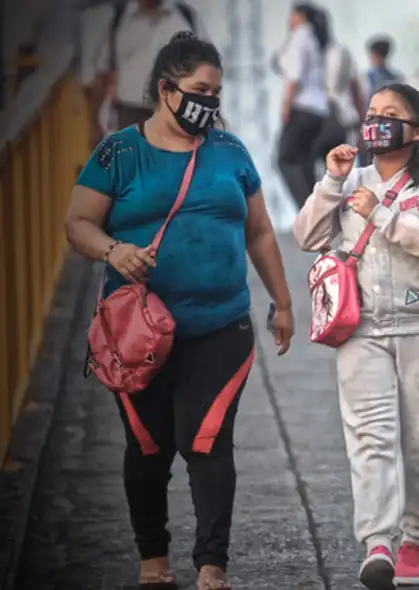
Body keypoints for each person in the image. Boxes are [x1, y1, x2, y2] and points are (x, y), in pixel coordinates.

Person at [64, 32, 294, 590]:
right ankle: (153, 560)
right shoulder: (118, 153)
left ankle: (212, 565)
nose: (208, 102)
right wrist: (113, 250)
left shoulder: (230, 151)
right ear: (166, 90)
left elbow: (261, 232)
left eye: (216, 92)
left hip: (221, 324)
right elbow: (78, 223)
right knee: (148, 446)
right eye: (199, 89)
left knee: (207, 439)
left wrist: (283, 303)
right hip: (136, 334)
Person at [291, 83, 419, 590]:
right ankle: (378, 543)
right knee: (370, 438)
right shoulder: (349, 181)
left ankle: (416, 539)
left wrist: (380, 215)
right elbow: (306, 236)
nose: (376, 121)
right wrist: (331, 181)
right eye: (372, 113)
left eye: (391, 114)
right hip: (360, 329)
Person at [87, 0, 209, 146]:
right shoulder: (118, 20)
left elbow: (208, 70)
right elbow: (102, 74)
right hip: (130, 117)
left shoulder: (186, 17)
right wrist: (94, 122)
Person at [274, 2, 330, 208]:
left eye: (292, 15)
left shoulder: (300, 37)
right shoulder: (314, 39)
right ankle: (317, 211)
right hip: (318, 110)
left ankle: (308, 210)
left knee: (285, 160)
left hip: (302, 107)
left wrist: (285, 106)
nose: (289, 20)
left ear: (300, 16)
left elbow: (294, 77)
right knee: (305, 163)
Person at [312, 15, 366, 171]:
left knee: (334, 165)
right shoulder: (339, 51)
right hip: (339, 116)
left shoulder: (334, 52)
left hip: (334, 115)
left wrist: (361, 119)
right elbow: (355, 86)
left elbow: (354, 86)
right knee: (336, 167)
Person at [356, 36, 405, 168]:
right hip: (390, 128)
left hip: (372, 126)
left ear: (374, 54)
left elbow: (363, 102)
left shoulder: (368, 77)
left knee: (366, 166)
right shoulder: (397, 78)